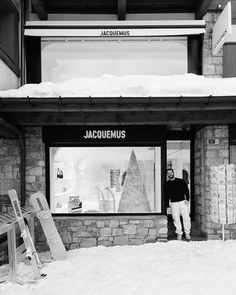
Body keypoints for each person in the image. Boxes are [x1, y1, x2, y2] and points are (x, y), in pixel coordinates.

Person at [164, 168, 191, 241]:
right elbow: (166, 195)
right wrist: (167, 205)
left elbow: (186, 190)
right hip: (173, 203)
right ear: (167, 175)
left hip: (182, 202)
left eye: (171, 172)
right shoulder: (167, 184)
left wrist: (187, 199)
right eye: (168, 173)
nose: (170, 174)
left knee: (186, 217)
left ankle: (187, 232)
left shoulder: (180, 181)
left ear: (173, 173)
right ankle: (179, 233)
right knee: (176, 218)